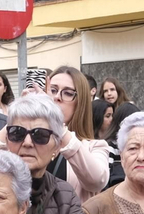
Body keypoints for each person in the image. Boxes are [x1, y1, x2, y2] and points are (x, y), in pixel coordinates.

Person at [43, 66, 111, 199]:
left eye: (68, 93)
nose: (57, 97)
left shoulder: (95, 146)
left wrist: (56, 124)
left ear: (80, 103)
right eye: (52, 90)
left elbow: (97, 181)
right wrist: (20, 116)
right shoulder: (27, 141)